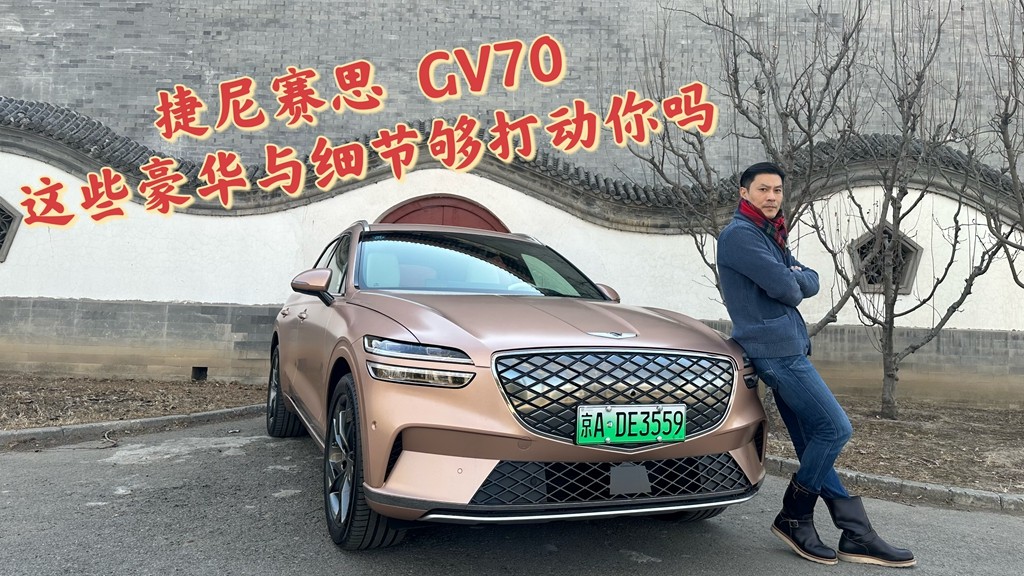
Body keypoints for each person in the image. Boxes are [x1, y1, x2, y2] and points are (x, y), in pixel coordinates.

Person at [716, 162, 916, 568]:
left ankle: (856, 533)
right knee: (835, 428)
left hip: (786, 348)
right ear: (744, 193)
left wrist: (795, 277)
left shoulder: (768, 233)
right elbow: (790, 287)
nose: (772, 197)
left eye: (777, 190)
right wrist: (794, 278)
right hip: (777, 353)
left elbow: (810, 278)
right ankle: (794, 515)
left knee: (811, 442)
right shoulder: (740, 235)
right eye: (763, 190)